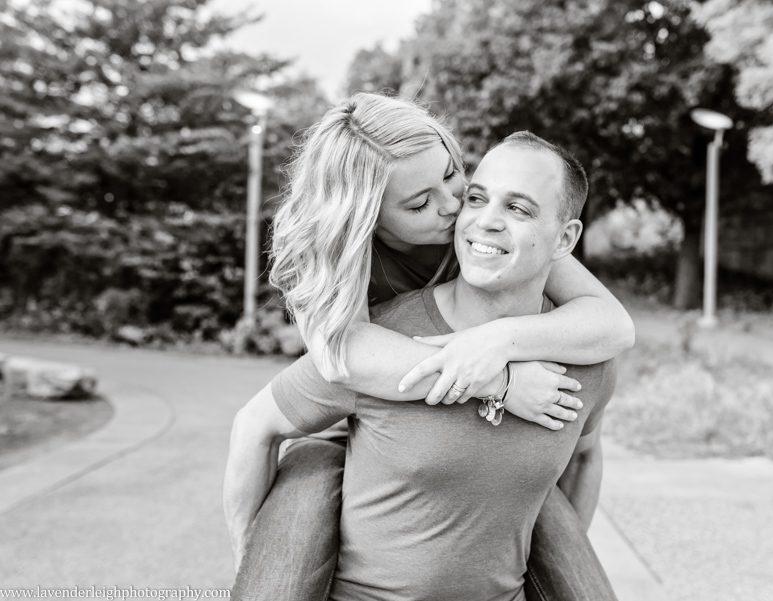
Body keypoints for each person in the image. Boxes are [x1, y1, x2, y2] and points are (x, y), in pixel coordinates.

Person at [224, 94, 632, 598]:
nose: (454, 205)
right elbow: (341, 360)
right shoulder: (334, 261)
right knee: (296, 519)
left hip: (477, 464)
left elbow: (612, 324)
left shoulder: (491, 228)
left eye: (452, 174)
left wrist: (497, 341)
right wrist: (499, 381)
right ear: (367, 218)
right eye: (419, 203)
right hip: (356, 429)